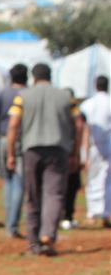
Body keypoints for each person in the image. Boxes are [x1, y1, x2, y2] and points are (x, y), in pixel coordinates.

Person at [7, 63, 80, 256]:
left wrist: (11, 154)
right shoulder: (66, 97)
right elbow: (79, 125)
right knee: (54, 194)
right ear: (51, 76)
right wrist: (76, 152)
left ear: (34, 77)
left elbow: (13, 125)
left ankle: (33, 242)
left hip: (31, 151)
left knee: (33, 196)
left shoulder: (23, 97)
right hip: (59, 150)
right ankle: (48, 235)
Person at [0, 64, 28, 239]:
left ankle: (8, 222)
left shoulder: (2, 93)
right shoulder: (28, 94)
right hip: (22, 140)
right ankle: (12, 224)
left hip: (3, 139)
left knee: (7, 180)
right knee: (19, 182)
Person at [79, 75, 110, 228]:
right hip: (108, 146)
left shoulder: (87, 104)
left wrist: (83, 154)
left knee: (92, 179)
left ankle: (92, 213)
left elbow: (84, 129)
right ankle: (106, 213)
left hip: (91, 146)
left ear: (95, 85)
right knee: (108, 180)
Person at [60, 90, 86, 230]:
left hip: (59, 152)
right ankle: (66, 216)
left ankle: (63, 216)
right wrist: (76, 154)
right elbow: (80, 126)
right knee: (70, 185)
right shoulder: (73, 111)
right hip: (68, 152)